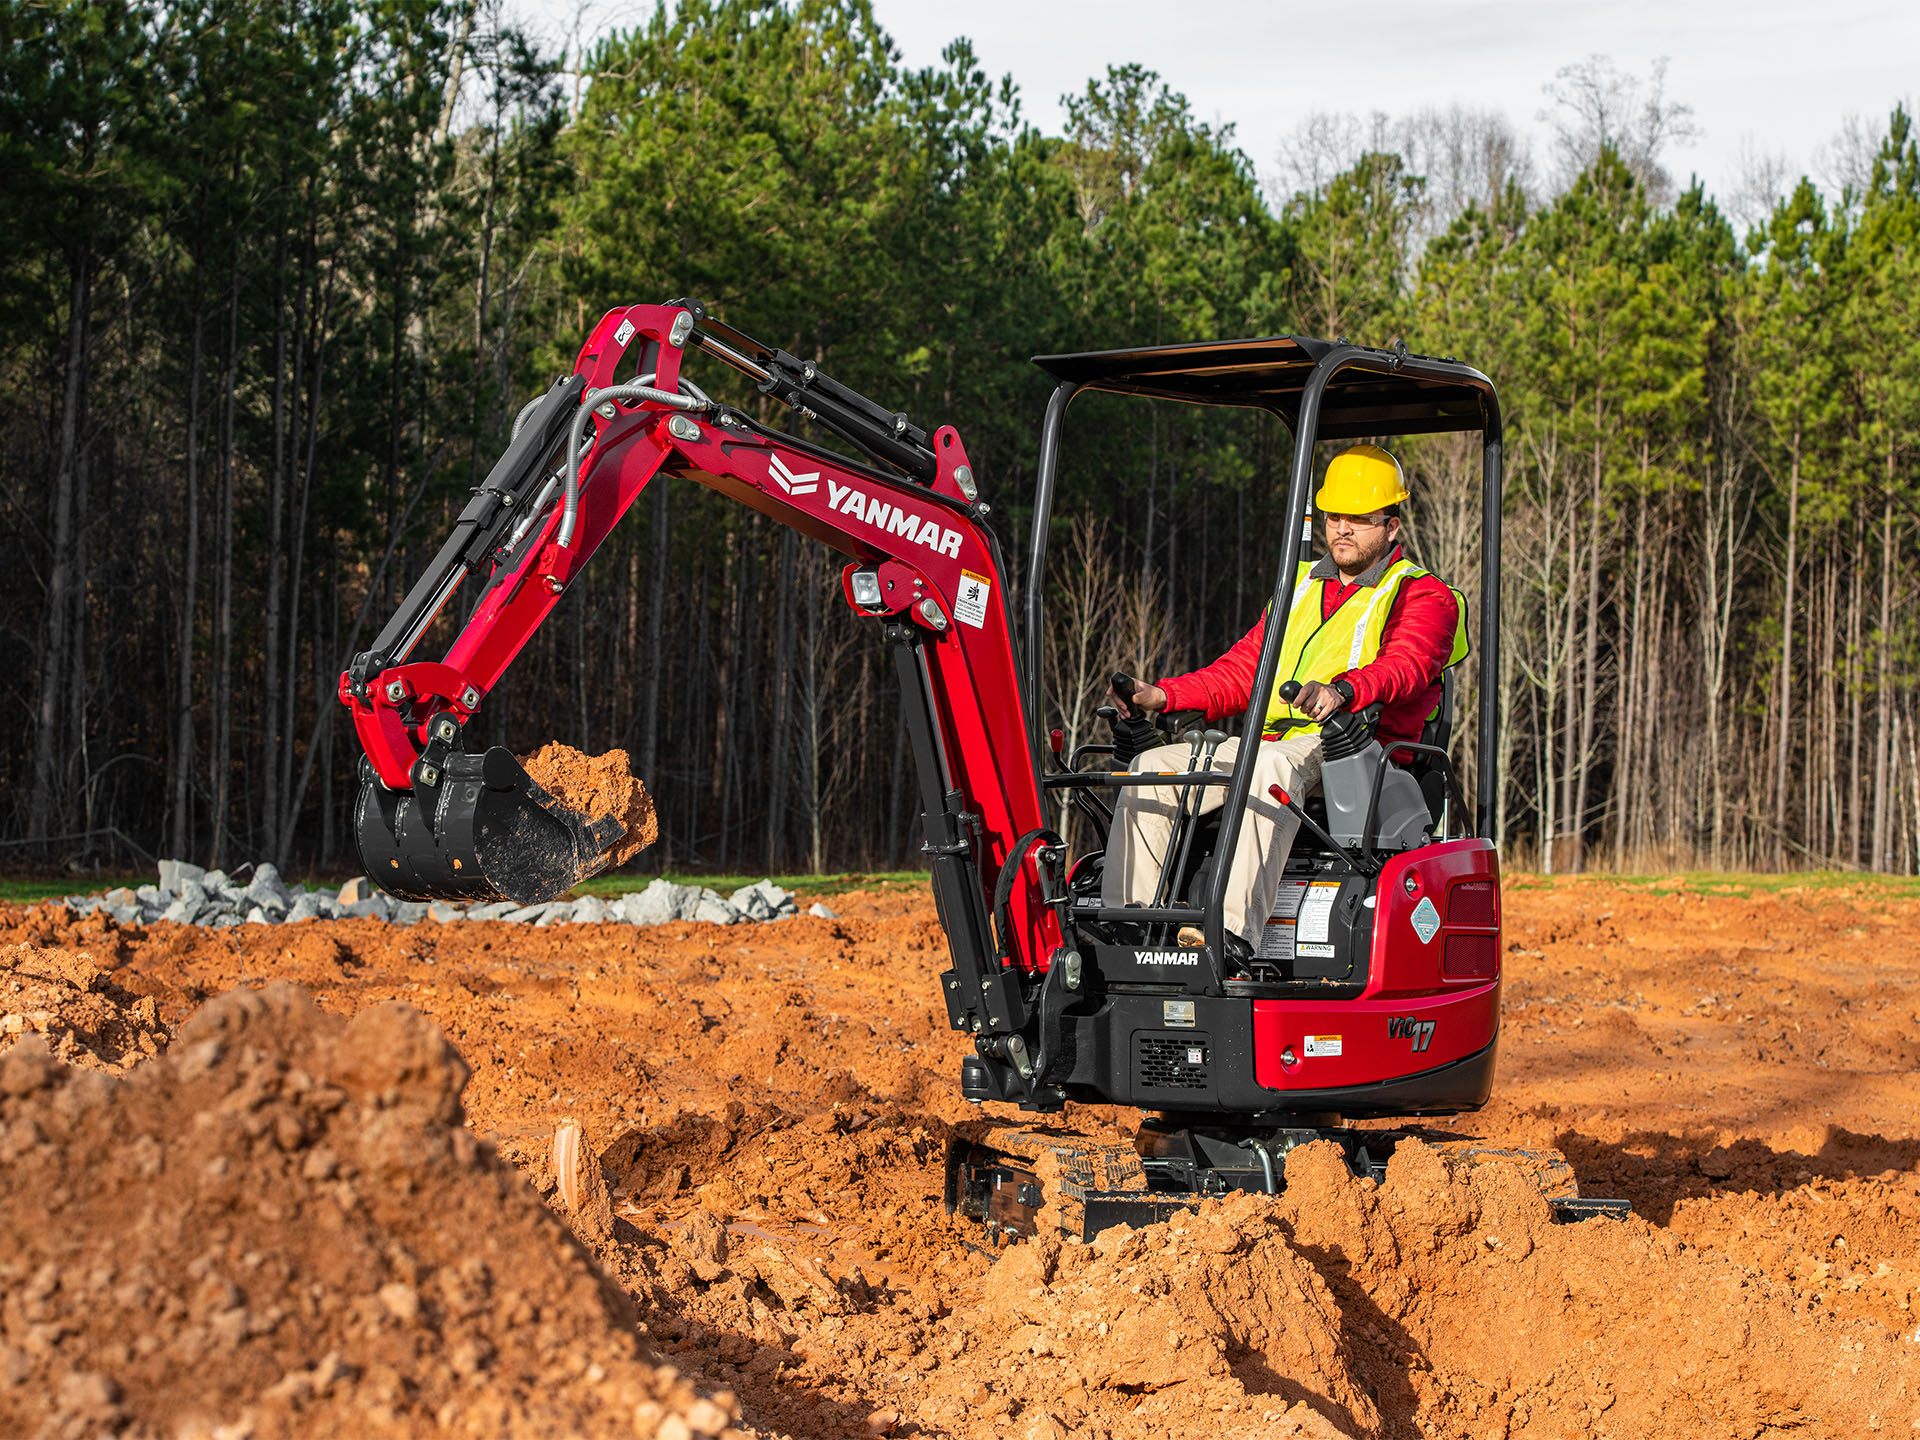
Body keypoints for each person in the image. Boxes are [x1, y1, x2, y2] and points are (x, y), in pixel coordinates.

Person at [1100, 444, 1466, 959]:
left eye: (1360, 519)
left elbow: (1406, 666)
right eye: (1335, 515)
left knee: (1266, 765)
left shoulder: (1423, 596)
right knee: (1150, 766)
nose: (1343, 528)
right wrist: (1163, 695)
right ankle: (1131, 928)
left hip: (1355, 751)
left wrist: (1342, 691)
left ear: (1392, 526)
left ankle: (1229, 936)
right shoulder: (1297, 587)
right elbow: (1243, 669)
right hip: (1278, 744)